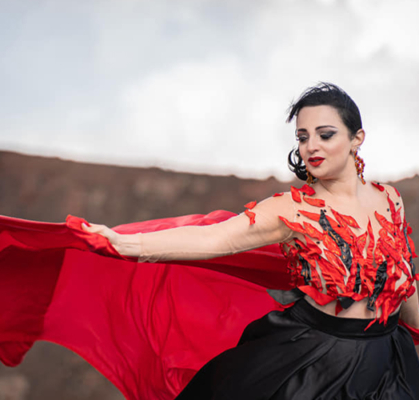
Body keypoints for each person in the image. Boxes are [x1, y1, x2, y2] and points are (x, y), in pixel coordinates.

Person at [81, 83, 419, 399]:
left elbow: (404, 284)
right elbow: (217, 239)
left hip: (388, 360)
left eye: (325, 134)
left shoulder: (389, 199)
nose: (310, 146)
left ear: (356, 138)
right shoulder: (291, 210)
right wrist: (126, 245)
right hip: (317, 364)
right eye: (302, 137)